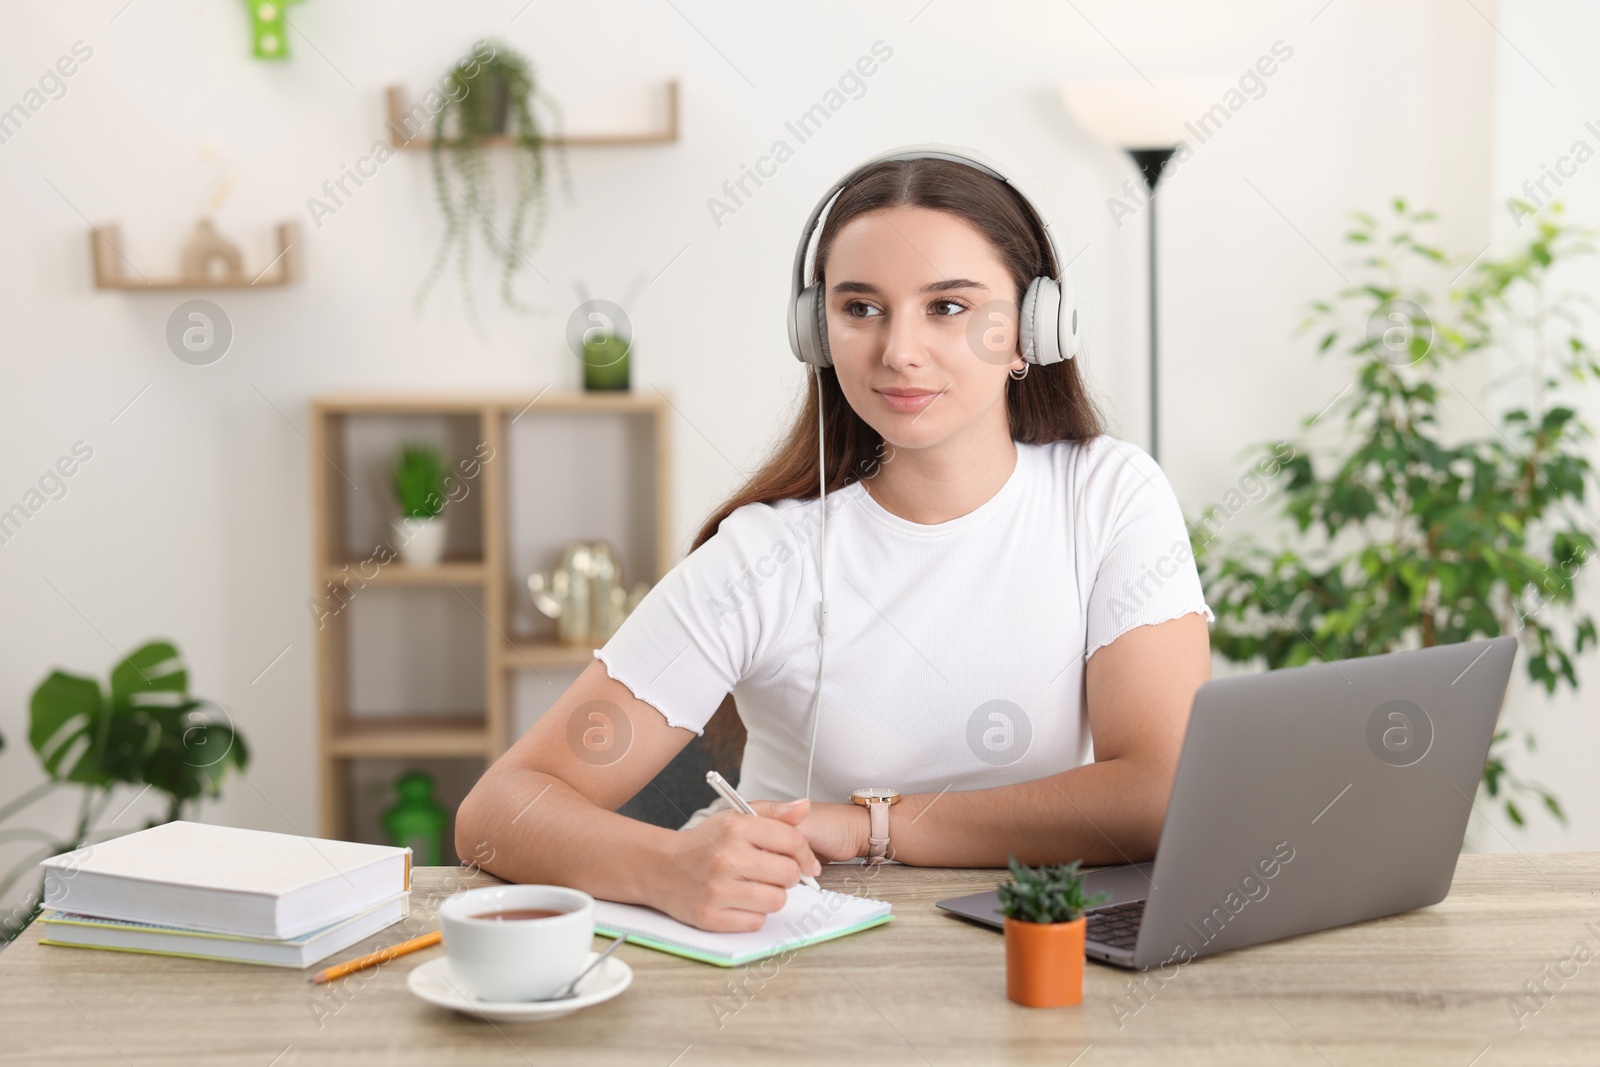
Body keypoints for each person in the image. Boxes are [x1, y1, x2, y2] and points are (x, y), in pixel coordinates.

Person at [456, 147, 1213, 933]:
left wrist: (868, 827)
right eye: (861, 308)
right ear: (817, 334)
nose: (898, 351)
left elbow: (1158, 791)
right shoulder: (765, 556)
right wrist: (667, 867)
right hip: (798, 962)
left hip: (1023, 948)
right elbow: (500, 809)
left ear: (1033, 329)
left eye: (948, 306)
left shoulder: (1109, 495)